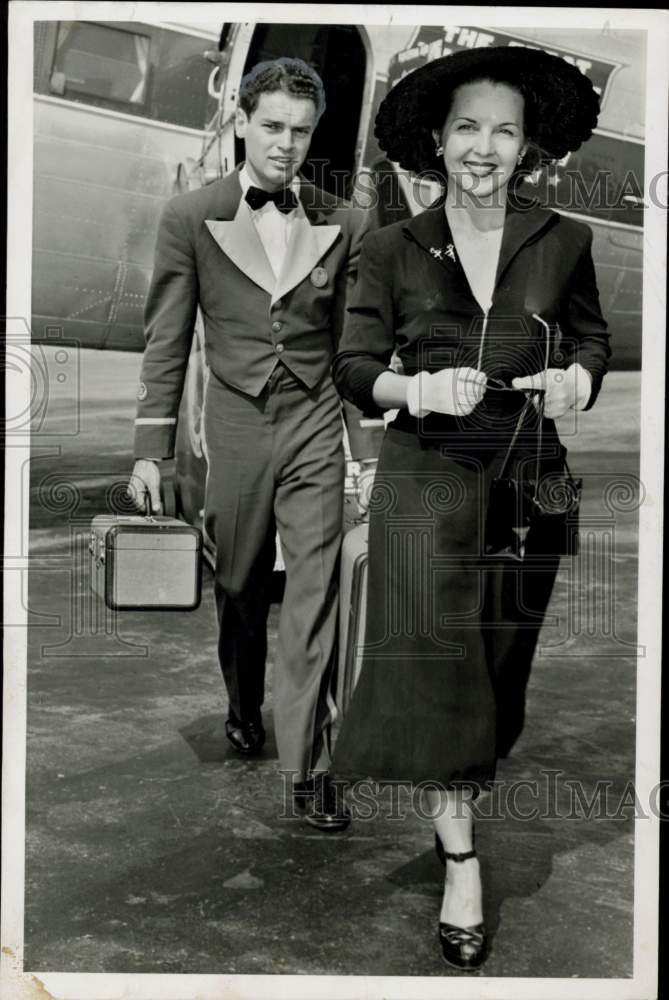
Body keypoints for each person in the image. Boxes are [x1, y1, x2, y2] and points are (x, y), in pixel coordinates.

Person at [332, 46, 611, 967]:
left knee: (498, 684)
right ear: (437, 141)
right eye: (465, 128)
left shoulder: (563, 240)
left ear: (526, 145)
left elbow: (592, 342)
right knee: (437, 683)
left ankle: (461, 802)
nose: (483, 147)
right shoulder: (387, 249)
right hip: (425, 485)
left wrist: (576, 380)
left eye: (503, 129)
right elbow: (354, 367)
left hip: (531, 483)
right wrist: (413, 394)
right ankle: (460, 861)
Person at [128, 57, 379, 831]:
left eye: (301, 132)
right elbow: (167, 340)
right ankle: (243, 702)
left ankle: (309, 768)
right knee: (238, 586)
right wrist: (152, 448)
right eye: (271, 126)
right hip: (234, 428)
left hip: (310, 424)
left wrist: (365, 455)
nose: (286, 145)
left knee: (314, 595)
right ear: (240, 121)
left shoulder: (349, 222)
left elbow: (351, 351)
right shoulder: (188, 216)